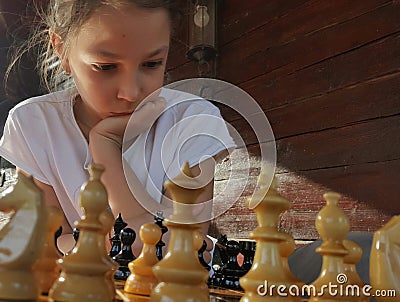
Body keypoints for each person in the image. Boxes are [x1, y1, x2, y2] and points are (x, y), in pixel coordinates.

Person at [0, 0, 235, 260]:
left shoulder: (193, 121)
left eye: (152, 63)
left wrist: (105, 145)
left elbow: (176, 252)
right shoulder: (33, 124)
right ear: (61, 49)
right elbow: (48, 243)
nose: (130, 93)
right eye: (106, 67)